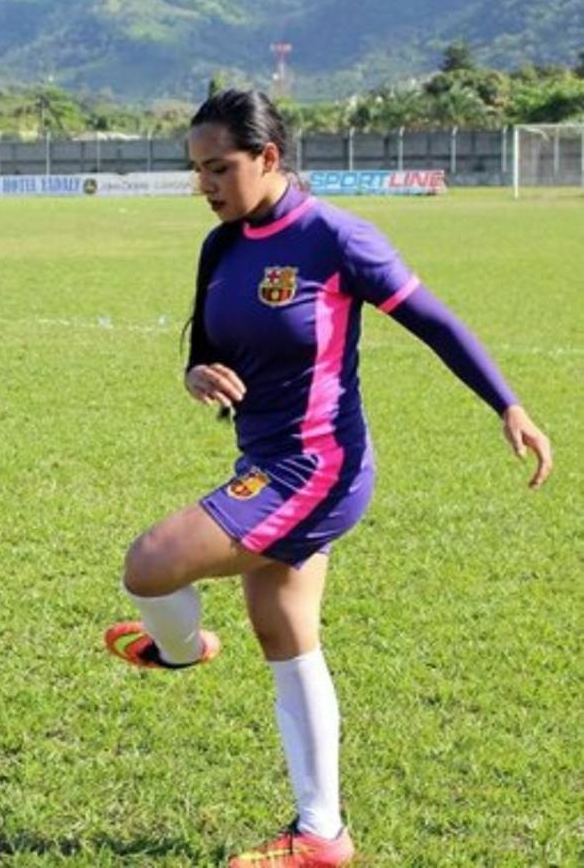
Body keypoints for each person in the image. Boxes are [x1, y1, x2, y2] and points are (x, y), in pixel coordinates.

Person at [103, 88, 552, 867]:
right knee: (282, 629)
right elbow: (204, 342)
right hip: (265, 461)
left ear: (268, 157)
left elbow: (434, 321)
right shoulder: (221, 244)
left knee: (149, 564)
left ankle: (177, 650)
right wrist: (195, 374)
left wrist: (506, 404)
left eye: (219, 168)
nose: (204, 185)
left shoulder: (336, 238)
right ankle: (320, 835)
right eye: (196, 170)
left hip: (317, 469)